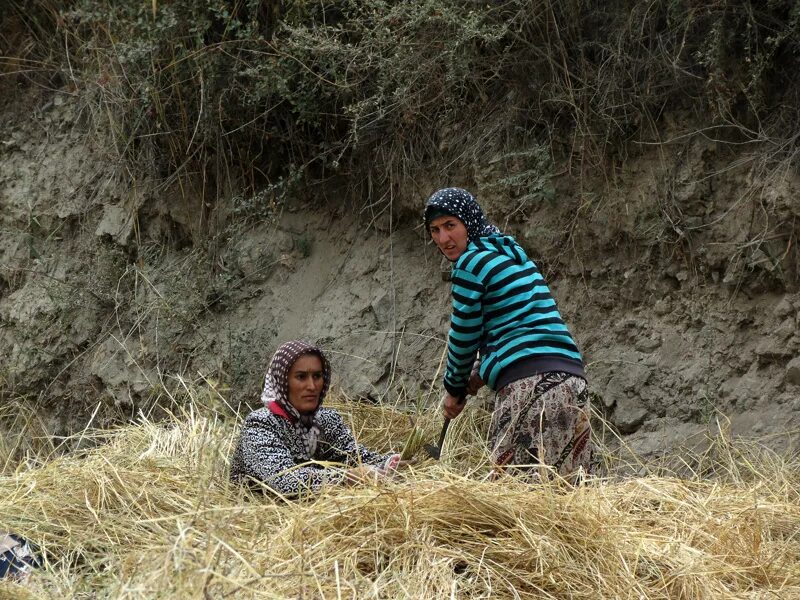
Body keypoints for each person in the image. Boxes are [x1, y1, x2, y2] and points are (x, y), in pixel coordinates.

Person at [424, 187, 593, 482]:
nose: (443, 239)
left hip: (531, 388)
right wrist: (476, 378)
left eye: (450, 226)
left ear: (469, 222)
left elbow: (463, 337)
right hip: (572, 383)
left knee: (510, 503)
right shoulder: (511, 254)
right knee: (568, 498)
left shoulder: (470, 264)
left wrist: (453, 389)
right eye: (435, 230)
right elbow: (517, 334)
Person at [230, 340, 405, 496]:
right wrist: (349, 477)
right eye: (301, 377)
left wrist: (388, 463)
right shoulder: (260, 424)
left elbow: (353, 455)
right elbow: (284, 481)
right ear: (282, 381)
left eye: (317, 376)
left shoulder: (327, 420)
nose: (312, 386)